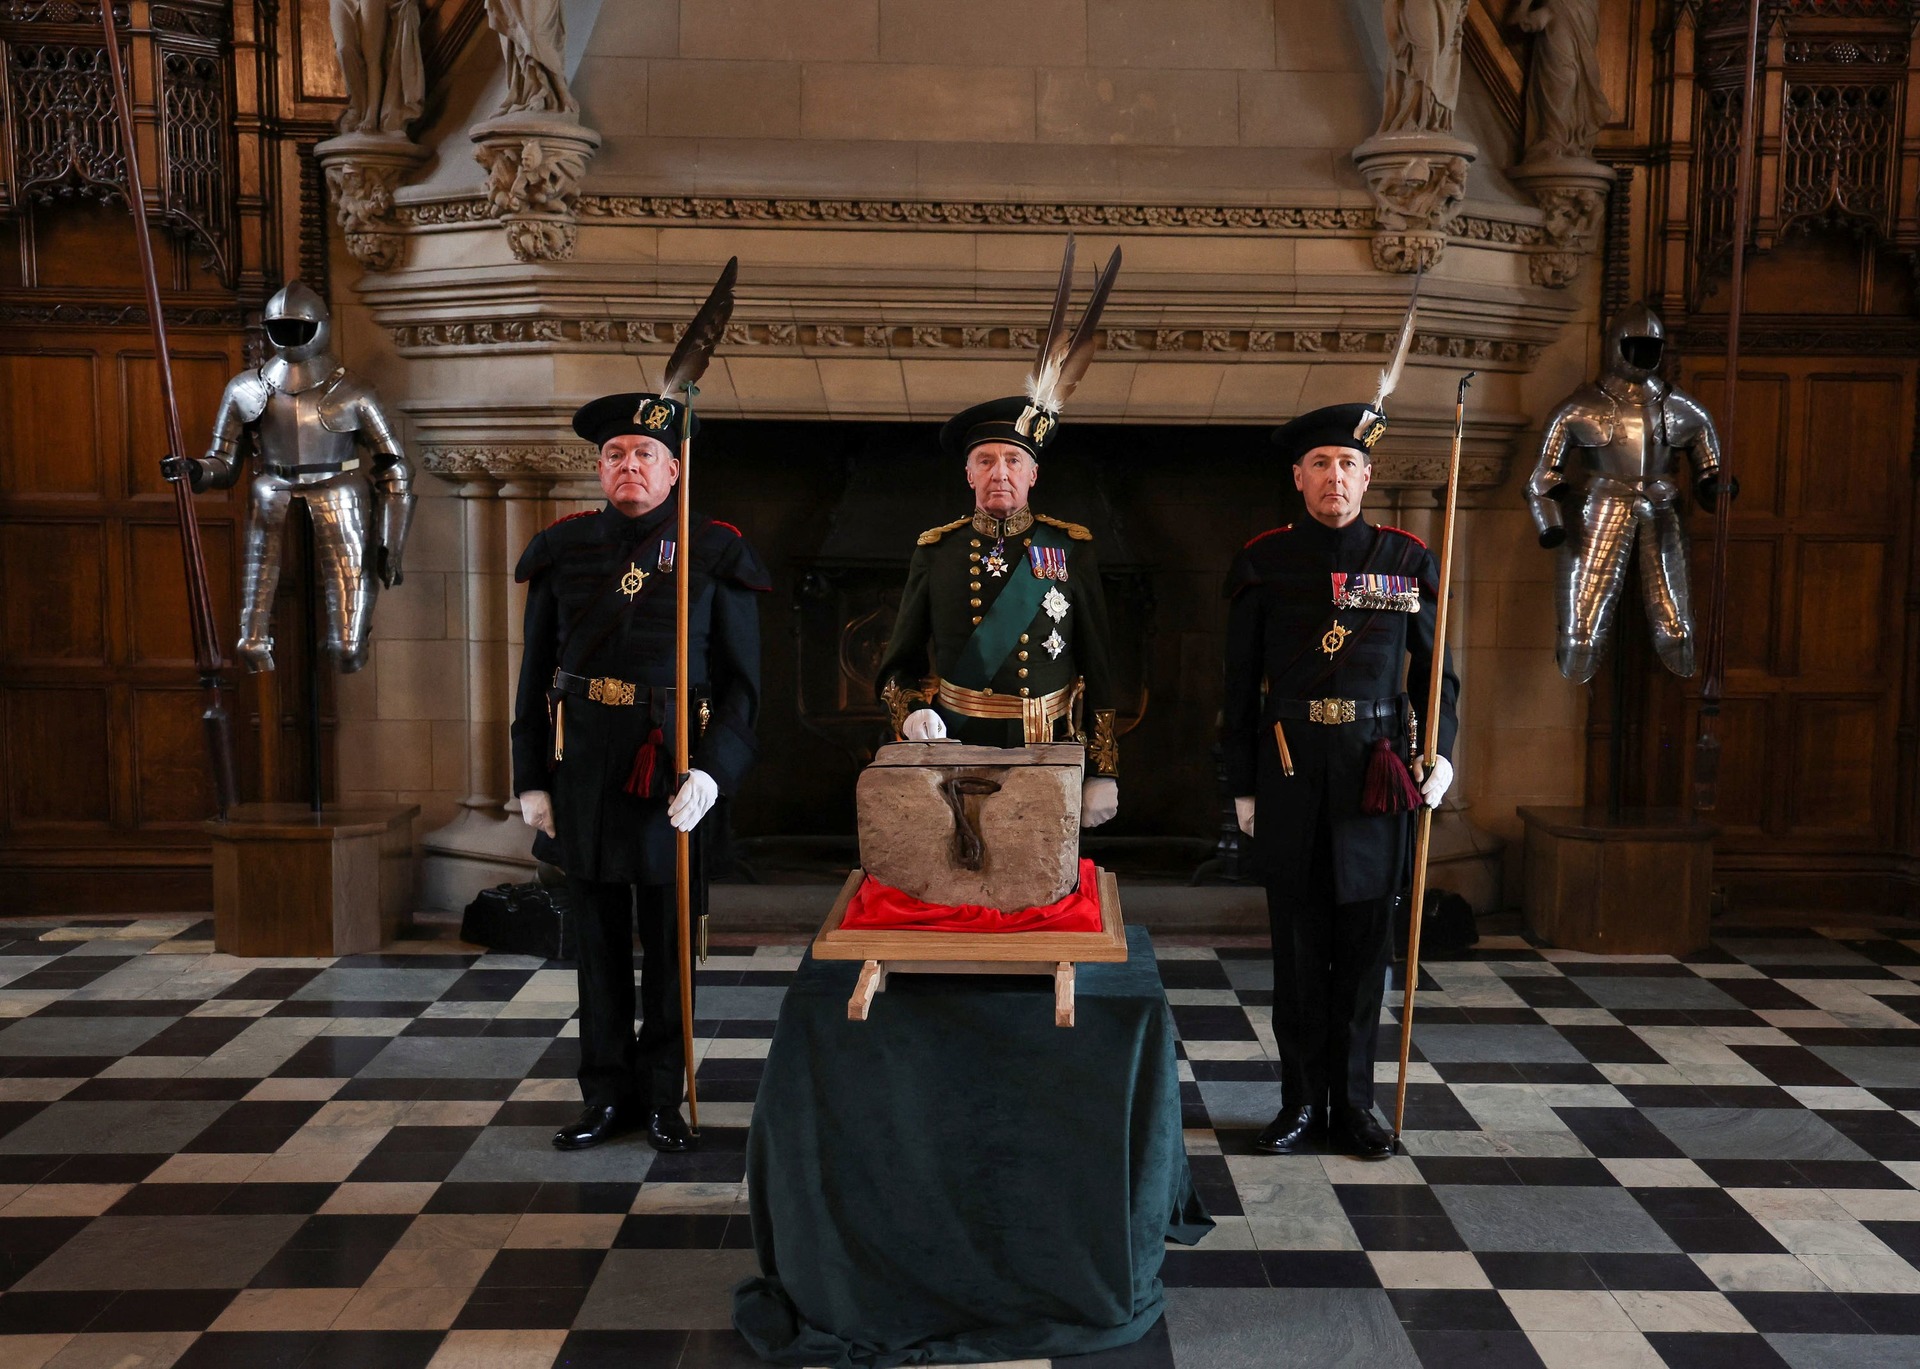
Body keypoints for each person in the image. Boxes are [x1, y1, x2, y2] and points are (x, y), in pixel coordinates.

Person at [511, 391, 768, 1153]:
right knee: (594, 947)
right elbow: (532, 679)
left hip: (672, 774)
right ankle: (604, 1096)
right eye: (617, 454)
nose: (631, 466)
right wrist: (531, 779)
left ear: (674, 469)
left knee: (666, 948)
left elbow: (743, 690)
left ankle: (663, 1097)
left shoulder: (712, 551)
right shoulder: (562, 551)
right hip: (585, 769)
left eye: (646, 455)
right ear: (599, 468)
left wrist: (714, 773)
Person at [1222, 402, 1459, 1160]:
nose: (1336, 477)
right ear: (1298, 478)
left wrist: (1442, 752)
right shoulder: (1264, 560)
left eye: (1349, 464)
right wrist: (1242, 787)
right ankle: (1298, 1103)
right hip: (1289, 770)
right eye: (1321, 464)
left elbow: (1437, 673)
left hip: (1374, 774)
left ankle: (1354, 1106)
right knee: (1296, 953)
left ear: (1369, 475)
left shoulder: (1407, 559)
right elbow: (1236, 685)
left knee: (1363, 953)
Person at [873, 237, 1124, 827]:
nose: (999, 473)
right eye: (986, 460)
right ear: (968, 473)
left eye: (1013, 462)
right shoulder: (936, 551)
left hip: (1051, 749)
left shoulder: (1070, 547)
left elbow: (1101, 666)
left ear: (1034, 474)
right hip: (957, 744)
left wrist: (1105, 768)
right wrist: (910, 713)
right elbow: (897, 665)